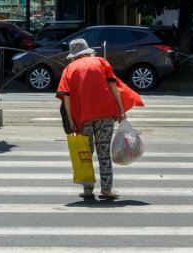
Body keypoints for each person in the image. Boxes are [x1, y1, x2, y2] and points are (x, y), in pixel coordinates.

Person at [56, 38, 144, 200]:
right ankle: (107, 189)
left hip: (83, 117)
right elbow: (113, 87)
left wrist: (71, 119)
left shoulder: (69, 69)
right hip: (106, 114)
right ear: (88, 51)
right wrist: (121, 110)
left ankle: (88, 190)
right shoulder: (101, 62)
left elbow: (66, 98)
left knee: (86, 153)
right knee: (104, 152)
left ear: (74, 56)